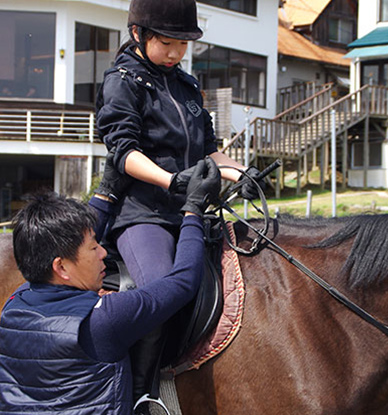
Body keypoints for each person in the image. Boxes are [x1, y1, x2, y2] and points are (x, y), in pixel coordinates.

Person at [94, 0, 267, 409]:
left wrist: (241, 173)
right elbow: (124, 153)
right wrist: (173, 180)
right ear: (138, 34)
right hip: (143, 213)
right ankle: (140, 396)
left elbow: (210, 152)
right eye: (167, 43)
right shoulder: (122, 82)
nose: (175, 53)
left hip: (191, 209)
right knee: (162, 293)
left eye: (183, 44)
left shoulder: (186, 86)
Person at [0, 157, 221, 415]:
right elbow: (182, 283)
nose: (104, 252)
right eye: (94, 247)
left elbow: (68, 244)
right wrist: (193, 210)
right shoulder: (104, 319)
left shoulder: (14, 304)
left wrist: (106, 192)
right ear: (61, 268)